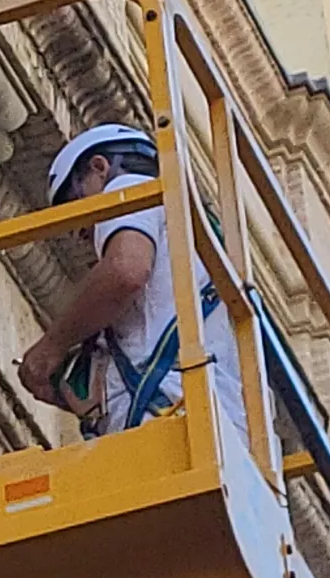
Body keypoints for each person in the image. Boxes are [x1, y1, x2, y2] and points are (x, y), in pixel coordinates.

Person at [14, 124, 240, 436]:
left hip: (172, 415)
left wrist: (49, 349)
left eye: (75, 210)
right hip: (219, 425)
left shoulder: (132, 190)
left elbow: (125, 272)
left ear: (99, 168)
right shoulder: (192, 237)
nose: (79, 234)